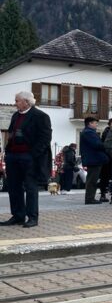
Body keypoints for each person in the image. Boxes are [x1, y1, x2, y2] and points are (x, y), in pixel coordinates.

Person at [0, 91, 52, 228]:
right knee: (13, 187)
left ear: (26, 102)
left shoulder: (41, 116)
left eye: (17, 100)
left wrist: (32, 154)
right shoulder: (16, 115)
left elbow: (45, 138)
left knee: (30, 188)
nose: (15, 103)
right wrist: (7, 151)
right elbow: (11, 133)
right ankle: (18, 216)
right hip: (13, 157)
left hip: (29, 158)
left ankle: (32, 217)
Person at [80, 116, 108, 204]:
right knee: (92, 180)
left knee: (92, 180)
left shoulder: (89, 132)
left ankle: (90, 198)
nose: (97, 125)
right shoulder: (88, 133)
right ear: (90, 123)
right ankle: (89, 199)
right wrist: (105, 145)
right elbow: (97, 145)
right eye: (95, 123)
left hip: (93, 159)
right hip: (94, 159)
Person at [98, 118, 112, 202]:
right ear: (109, 125)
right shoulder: (106, 133)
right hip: (107, 159)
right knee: (105, 177)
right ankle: (103, 194)